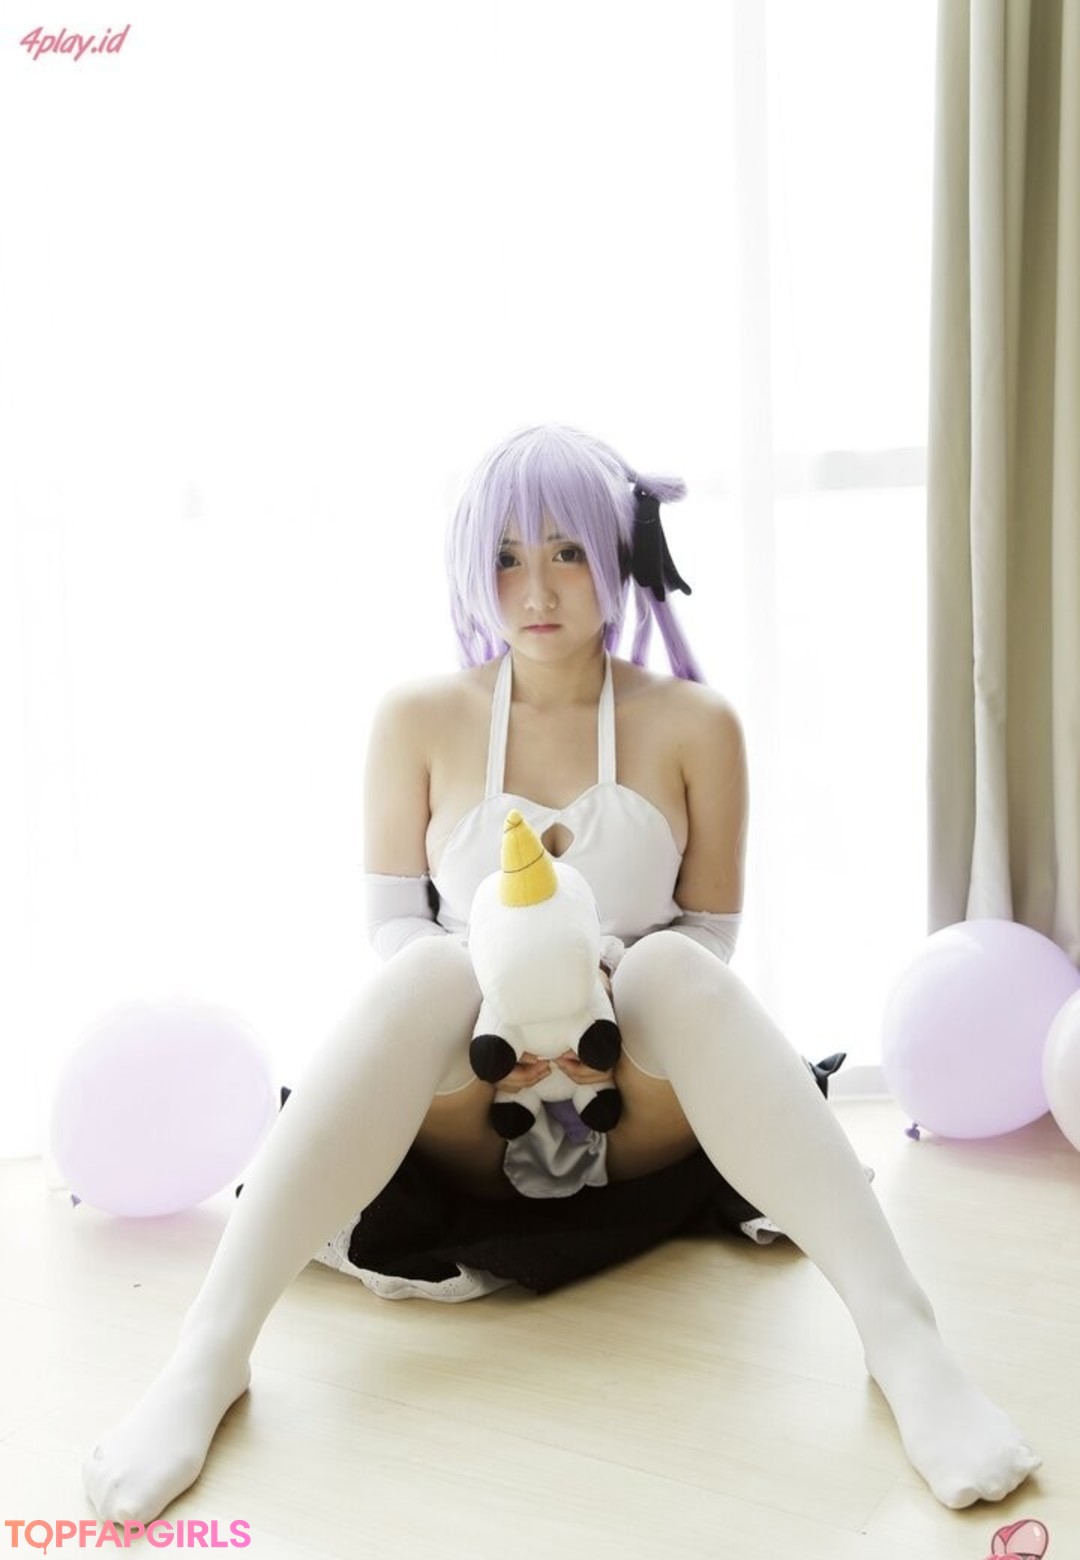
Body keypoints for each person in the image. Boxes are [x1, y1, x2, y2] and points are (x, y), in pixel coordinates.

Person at [82, 423, 1039, 1520]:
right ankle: (207, 1356)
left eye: (567, 551)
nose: (534, 589)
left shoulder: (696, 723)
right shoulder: (418, 719)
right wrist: (508, 1000)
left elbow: (711, 934)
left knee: (671, 968)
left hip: (632, 1101)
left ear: (616, 551)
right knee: (427, 978)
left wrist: (594, 998)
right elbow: (393, 923)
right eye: (504, 557)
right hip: (476, 1100)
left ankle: (904, 1340)